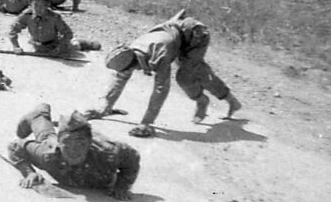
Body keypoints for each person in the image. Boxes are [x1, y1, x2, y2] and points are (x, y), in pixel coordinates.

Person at [85, 12, 242, 137]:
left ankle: (221, 101)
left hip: (194, 36)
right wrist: (105, 107)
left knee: (186, 76)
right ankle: (208, 100)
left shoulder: (160, 55)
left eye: (132, 69)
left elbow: (161, 89)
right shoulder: (130, 53)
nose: (134, 72)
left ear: (135, 63)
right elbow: (120, 79)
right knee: (193, 71)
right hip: (175, 36)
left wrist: (146, 122)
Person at [5, 103, 140, 200]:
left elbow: (132, 157)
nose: (73, 150)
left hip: (95, 140)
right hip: (57, 141)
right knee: (47, 138)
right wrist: (29, 173)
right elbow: (15, 146)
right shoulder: (48, 154)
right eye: (67, 145)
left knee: (63, 137)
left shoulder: (108, 153)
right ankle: (39, 115)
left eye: (80, 144)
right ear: (60, 143)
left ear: (89, 142)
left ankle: (45, 120)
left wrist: (123, 185)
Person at [8, 0, 101, 56]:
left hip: (53, 44)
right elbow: (13, 29)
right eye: (35, 5)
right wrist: (16, 46)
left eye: (42, 6)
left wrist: (58, 49)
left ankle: (85, 43)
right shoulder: (27, 15)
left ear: (47, 6)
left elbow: (68, 33)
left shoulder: (54, 18)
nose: (38, 9)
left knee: (74, 46)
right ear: (31, 4)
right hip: (36, 45)